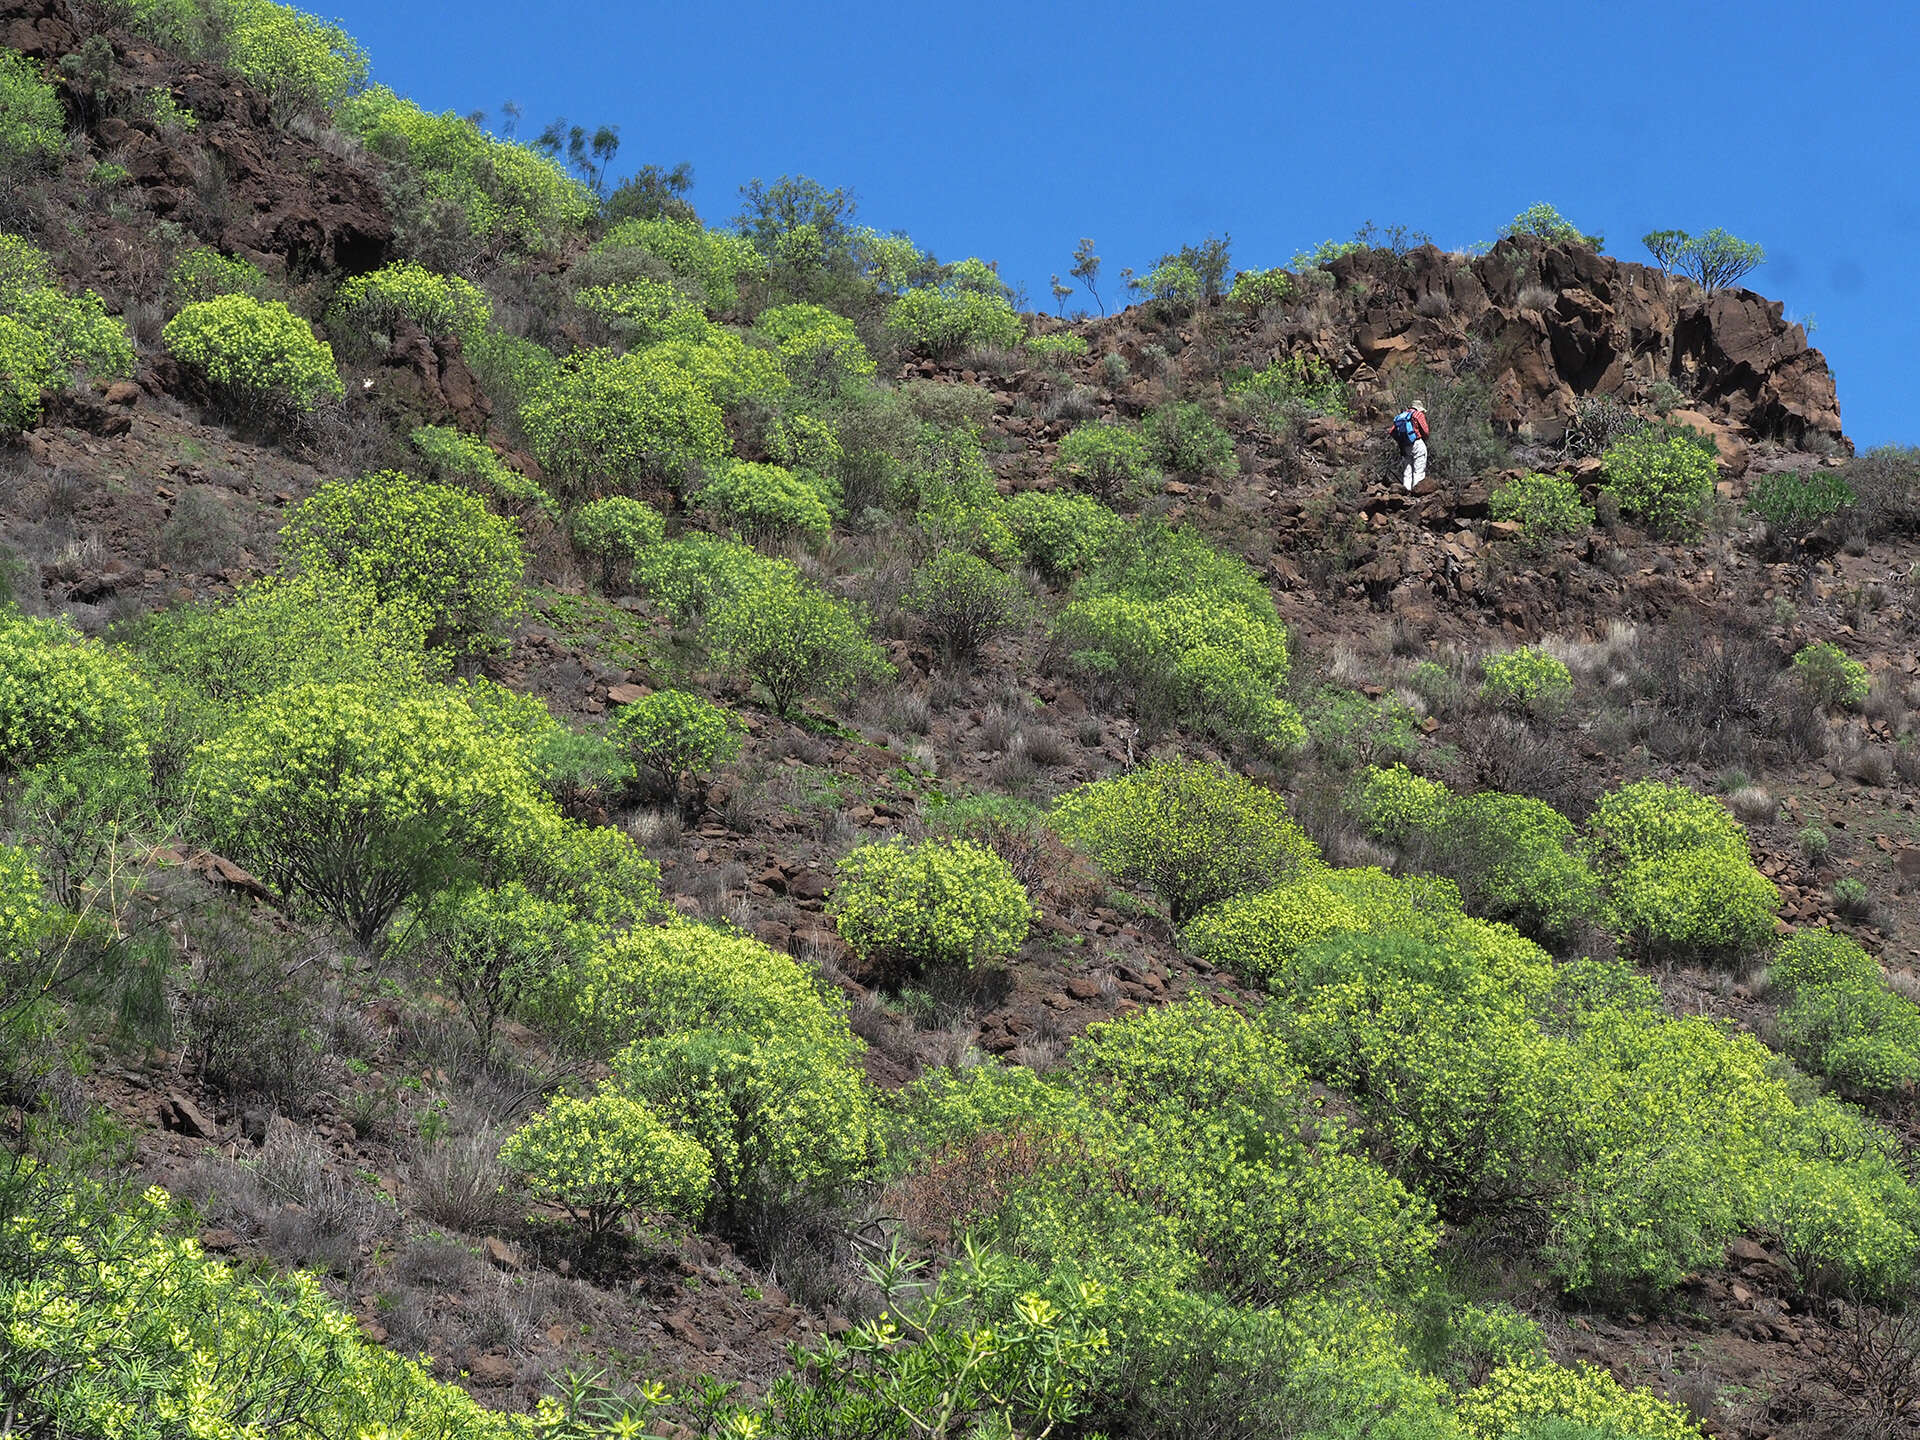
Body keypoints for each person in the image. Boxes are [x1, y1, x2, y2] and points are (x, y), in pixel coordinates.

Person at [1392, 400, 1429, 492]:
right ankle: (1418, 492)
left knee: (1407, 469)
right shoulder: (1418, 414)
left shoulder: (1402, 416)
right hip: (1417, 443)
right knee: (1419, 469)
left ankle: (1406, 490)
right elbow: (1426, 431)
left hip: (1405, 445)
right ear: (1419, 408)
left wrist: (1401, 441)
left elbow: (1392, 431)